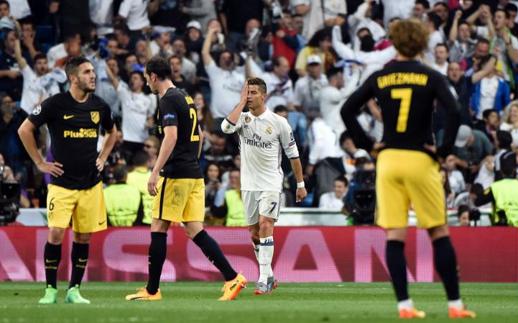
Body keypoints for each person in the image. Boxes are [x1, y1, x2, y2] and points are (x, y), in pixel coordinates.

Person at [340, 19, 475, 319]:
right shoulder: (430, 76)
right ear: (421, 43)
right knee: (438, 231)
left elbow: (347, 110)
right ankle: (455, 305)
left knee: (395, 236)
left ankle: (404, 306)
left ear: (395, 42)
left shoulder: (381, 75)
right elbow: (454, 111)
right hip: (419, 158)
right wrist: (442, 151)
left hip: (388, 160)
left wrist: (368, 144)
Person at [125, 57, 246, 302]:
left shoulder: (167, 99)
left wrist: (156, 170)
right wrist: (193, 159)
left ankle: (151, 290)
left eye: (148, 77)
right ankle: (233, 277)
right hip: (193, 173)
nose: (148, 82)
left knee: (158, 226)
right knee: (194, 229)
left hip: (177, 174)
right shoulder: (185, 97)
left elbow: (170, 136)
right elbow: (199, 134)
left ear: (153, 76)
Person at [17, 56, 118, 304]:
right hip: (62, 184)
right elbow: (24, 130)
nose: (93, 75)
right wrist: (40, 163)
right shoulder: (54, 104)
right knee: (56, 233)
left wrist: (103, 156)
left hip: (91, 184)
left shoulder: (100, 107)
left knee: (83, 237)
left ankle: (74, 290)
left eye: (93, 71)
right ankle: (50, 289)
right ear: (73, 78)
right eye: (87, 72)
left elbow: (112, 132)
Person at [221, 77, 307, 294]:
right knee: (254, 232)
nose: (248, 96)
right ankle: (269, 276)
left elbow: (293, 155)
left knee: (265, 223)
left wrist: (300, 183)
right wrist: (240, 104)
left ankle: (262, 279)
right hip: (248, 184)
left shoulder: (279, 122)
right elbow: (225, 128)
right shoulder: (242, 119)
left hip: (271, 182)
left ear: (263, 95)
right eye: (246, 93)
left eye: (252, 93)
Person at [471, 151, 518, 227]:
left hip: (501, 230)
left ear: (501, 170)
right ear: (515, 169)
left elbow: (478, 201)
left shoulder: (495, 187)